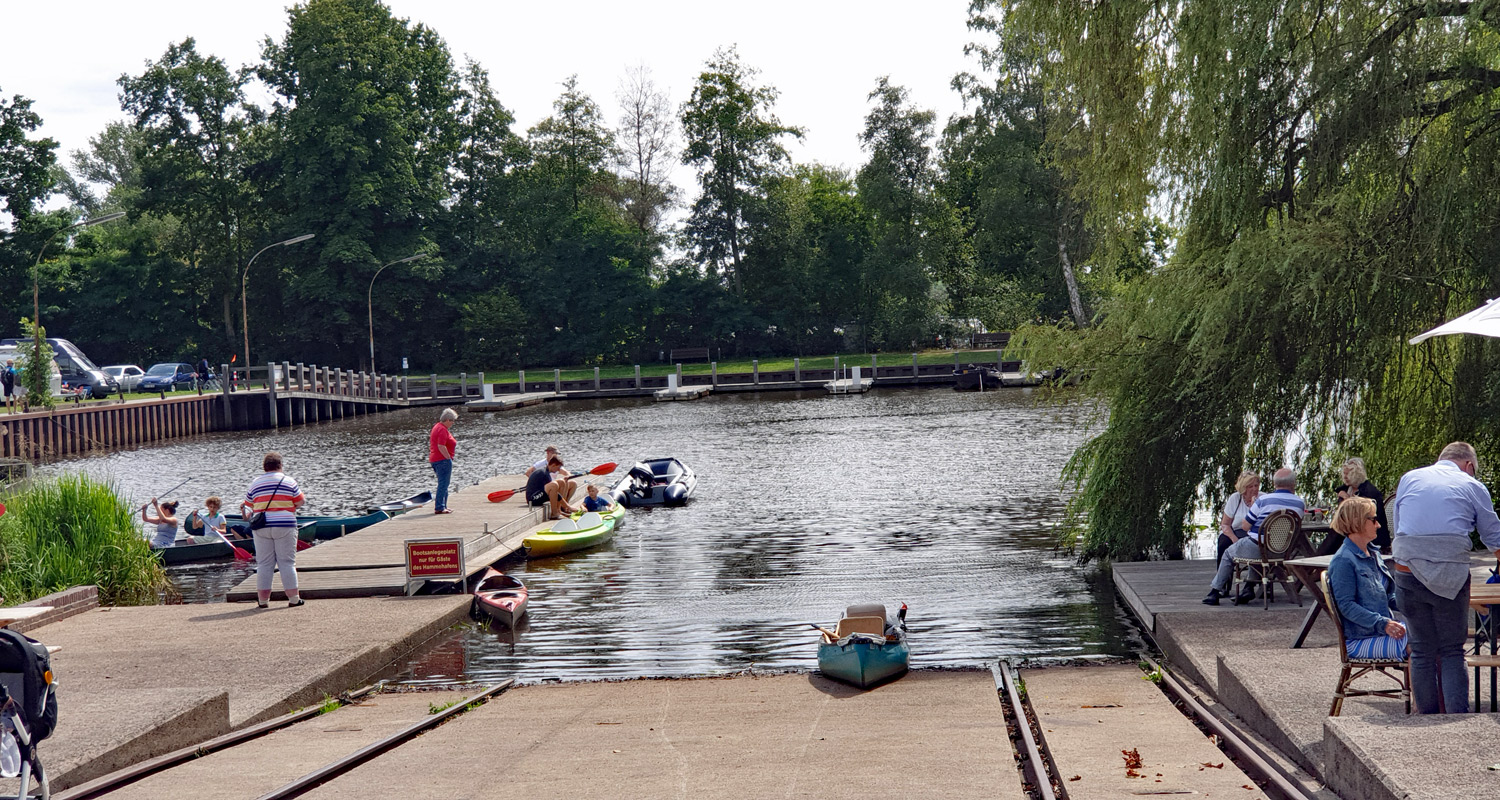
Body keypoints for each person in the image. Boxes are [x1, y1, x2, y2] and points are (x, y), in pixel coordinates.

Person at [1390, 441, 1500, 714]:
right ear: (1469, 465)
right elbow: (1493, 536)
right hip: (1450, 574)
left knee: (1422, 649)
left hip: (1407, 571)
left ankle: (1426, 718)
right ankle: (1456, 719)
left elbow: (1400, 525)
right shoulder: (1471, 485)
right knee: (1452, 650)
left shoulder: (1409, 478)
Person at [1204, 468, 1306, 606]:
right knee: (1254, 547)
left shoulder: (1263, 500)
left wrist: (1253, 509)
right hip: (1281, 551)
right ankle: (1249, 587)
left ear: (1275, 484)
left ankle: (1215, 591)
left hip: (1257, 547)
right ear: (1293, 484)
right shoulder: (1300, 503)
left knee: (1230, 553)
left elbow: (1245, 527)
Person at [1326, 496, 1407, 659]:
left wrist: (1415, 607)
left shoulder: (1373, 553)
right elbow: (1346, 606)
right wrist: (1383, 624)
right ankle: (1421, 686)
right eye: (1374, 519)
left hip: (1381, 632)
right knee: (1421, 646)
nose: (1379, 525)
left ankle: (1426, 685)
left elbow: (1388, 596)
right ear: (1357, 521)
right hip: (1361, 639)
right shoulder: (1344, 560)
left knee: (1432, 636)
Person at [243, 451, 307, 609]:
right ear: (280, 466)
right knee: (287, 562)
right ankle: (293, 599)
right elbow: (301, 501)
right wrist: (290, 507)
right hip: (285, 525)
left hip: (261, 526)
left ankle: (263, 601)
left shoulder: (255, 483)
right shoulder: (289, 481)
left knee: (264, 564)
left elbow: (247, 505)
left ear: (264, 467)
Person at [1321, 456, 1389, 555]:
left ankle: (1318, 559)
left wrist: (1348, 500)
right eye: (1344, 473)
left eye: (1349, 474)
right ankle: (1318, 559)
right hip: (1349, 530)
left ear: (1358, 474)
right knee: (1336, 531)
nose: (1345, 477)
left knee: (1337, 533)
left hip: (1368, 532)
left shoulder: (1370, 492)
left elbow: (1365, 513)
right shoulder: (1345, 489)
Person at [1217, 471, 1260, 564]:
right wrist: (1234, 538)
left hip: (1256, 533)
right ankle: (1223, 576)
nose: (1254, 489)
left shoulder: (1263, 498)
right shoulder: (1235, 498)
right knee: (1223, 543)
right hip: (1237, 531)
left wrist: (1254, 507)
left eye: (1256, 486)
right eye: (1250, 486)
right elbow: (1225, 524)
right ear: (1243, 488)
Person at [526, 455, 578, 520]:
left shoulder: (547, 472)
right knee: (554, 485)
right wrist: (568, 506)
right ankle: (554, 513)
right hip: (532, 500)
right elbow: (555, 492)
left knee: (562, 482)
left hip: (540, 494)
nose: (558, 470)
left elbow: (554, 492)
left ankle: (559, 510)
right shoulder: (543, 473)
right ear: (553, 465)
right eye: (558, 468)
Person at [429, 408, 457, 514]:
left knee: (444, 484)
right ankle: (439, 507)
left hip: (436, 459)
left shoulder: (437, 427)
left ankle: (443, 505)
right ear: (448, 420)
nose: (453, 423)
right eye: (452, 421)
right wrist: (448, 458)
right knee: (443, 484)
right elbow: (441, 445)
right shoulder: (442, 429)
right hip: (442, 460)